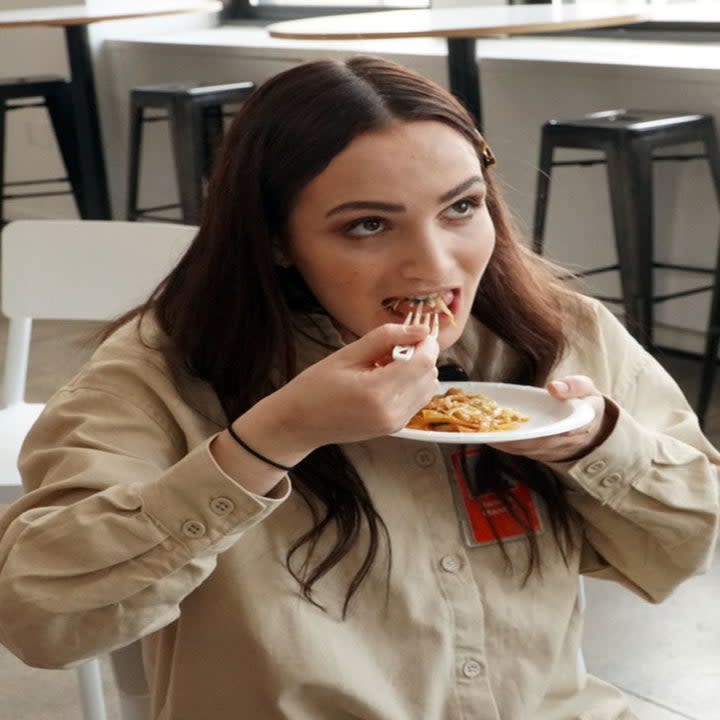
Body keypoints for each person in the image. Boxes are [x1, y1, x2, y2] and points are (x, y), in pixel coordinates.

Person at [0, 56, 717, 720]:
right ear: (275, 239)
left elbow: (692, 537)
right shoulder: (160, 370)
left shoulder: (551, 334)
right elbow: (39, 618)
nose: (433, 265)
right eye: (368, 225)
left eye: (462, 208)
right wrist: (271, 440)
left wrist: (596, 440)